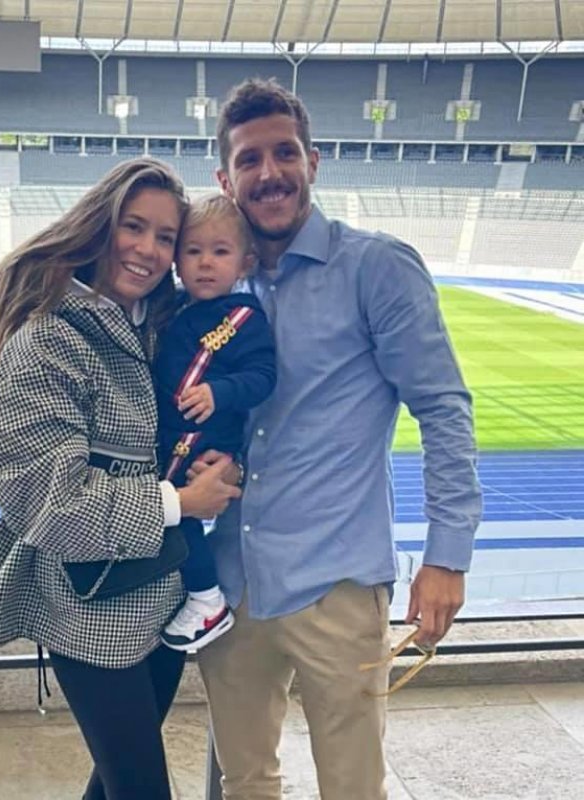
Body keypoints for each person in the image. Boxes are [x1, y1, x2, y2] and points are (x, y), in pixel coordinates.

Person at [191, 79, 483, 800]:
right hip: (234, 582)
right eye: (249, 160)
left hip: (337, 585)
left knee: (353, 787)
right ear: (226, 179)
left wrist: (446, 555)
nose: (270, 173)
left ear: (313, 162)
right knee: (245, 781)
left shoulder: (375, 268)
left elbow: (442, 407)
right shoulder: (216, 286)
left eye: (284, 153)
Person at [0, 157, 241, 800]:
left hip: (164, 597)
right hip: (90, 611)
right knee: (140, 788)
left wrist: (221, 465)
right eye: (133, 227)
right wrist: (180, 500)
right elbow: (49, 502)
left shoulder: (161, 329)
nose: (148, 249)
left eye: (165, 236)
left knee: (116, 784)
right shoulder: (46, 342)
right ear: (98, 226)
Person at [154, 195, 276, 653]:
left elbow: (264, 376)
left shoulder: (244, 318)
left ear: (245, 263)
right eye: (193, 251)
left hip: (202, 437)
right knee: (169, 512)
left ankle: (206, 601)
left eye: (220, 252)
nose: (205, 263)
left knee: (175, 509)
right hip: (173, 433)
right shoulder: (176, 307)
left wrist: (218, 392)